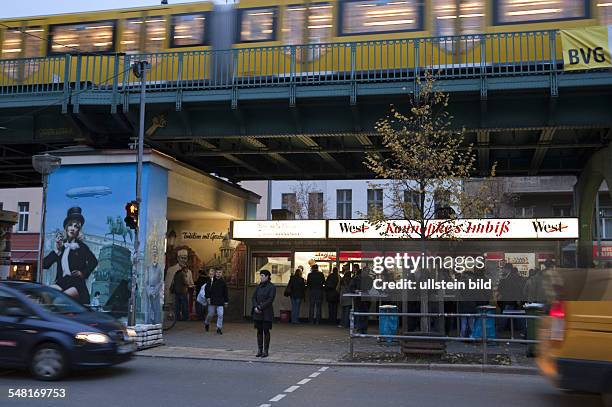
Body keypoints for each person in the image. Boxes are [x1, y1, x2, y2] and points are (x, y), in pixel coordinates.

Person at [43, 207, 98, 305]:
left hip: (76, 285)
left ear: (79, 230)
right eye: (70, 225)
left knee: (58, 301)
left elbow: (94, 261)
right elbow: (45, 264)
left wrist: (83, 273)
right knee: (45, 294)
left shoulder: (81, 247)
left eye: (76, 226)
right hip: (63, 282)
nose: (72, 228)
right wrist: (57, 250)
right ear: (66, 227)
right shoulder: (62, 247)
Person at [252, 269, 276, 358]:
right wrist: (255, 306)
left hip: (267, 312)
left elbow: (270, 299)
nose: (261, 277)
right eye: (260, 275)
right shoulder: (258, 286)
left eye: (262, 276)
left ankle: (266, 351)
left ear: (267, 277)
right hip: (257, 312)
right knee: (259, 331)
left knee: (266, 331)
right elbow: (253, 297)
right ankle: (259, 350)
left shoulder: (272, 287)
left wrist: (260, 307)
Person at [164, 249, 195, 316]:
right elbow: (168, 286)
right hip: (175, 295)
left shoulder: (189, 272)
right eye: (182, 258)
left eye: (185, 258)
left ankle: (185, 317)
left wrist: (191, 286)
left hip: (185, 294)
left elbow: (191, 283)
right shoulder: (171, 270)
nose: (184, 260)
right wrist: (168, 301)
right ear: (178, 258)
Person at [350, 264, 373, 334]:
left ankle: (362, 328)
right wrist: (355, 290)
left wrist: (355, 290)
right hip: (363, 298)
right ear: (363, 271)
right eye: (367, 271)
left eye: (368, 272)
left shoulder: (357, 278)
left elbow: (351, 287)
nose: (368, 273)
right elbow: (351, 287)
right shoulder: (368, 279)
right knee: (363, 313)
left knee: (362, 313)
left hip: (362, 298)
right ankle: (361, 328)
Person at [205, 269, 229, 334]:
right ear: (215, 273)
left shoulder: (223, 282)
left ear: (222, 273)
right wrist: (208, 297)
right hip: (212, 300)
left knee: (220, 314)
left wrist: (226, 301)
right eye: (217, 272)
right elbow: (206, 289)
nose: (218, 273)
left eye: (220, 272)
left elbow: (225, 292)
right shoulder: (211, 280)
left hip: (220, 301)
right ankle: (207, 323)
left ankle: (219, 328)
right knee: (210, 314)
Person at [146, 245, 163, 324]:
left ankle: (156, 324)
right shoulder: (148, 267)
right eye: (153, 251)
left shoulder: (160, 267)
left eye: (156, 251)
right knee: (149, 309)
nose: (154, 253)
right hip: (149, 291)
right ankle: (149, 323)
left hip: (156, 291)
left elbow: (161, 281)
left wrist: (155, 291)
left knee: (156, 309)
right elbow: (146, 281)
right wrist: (149, 291)